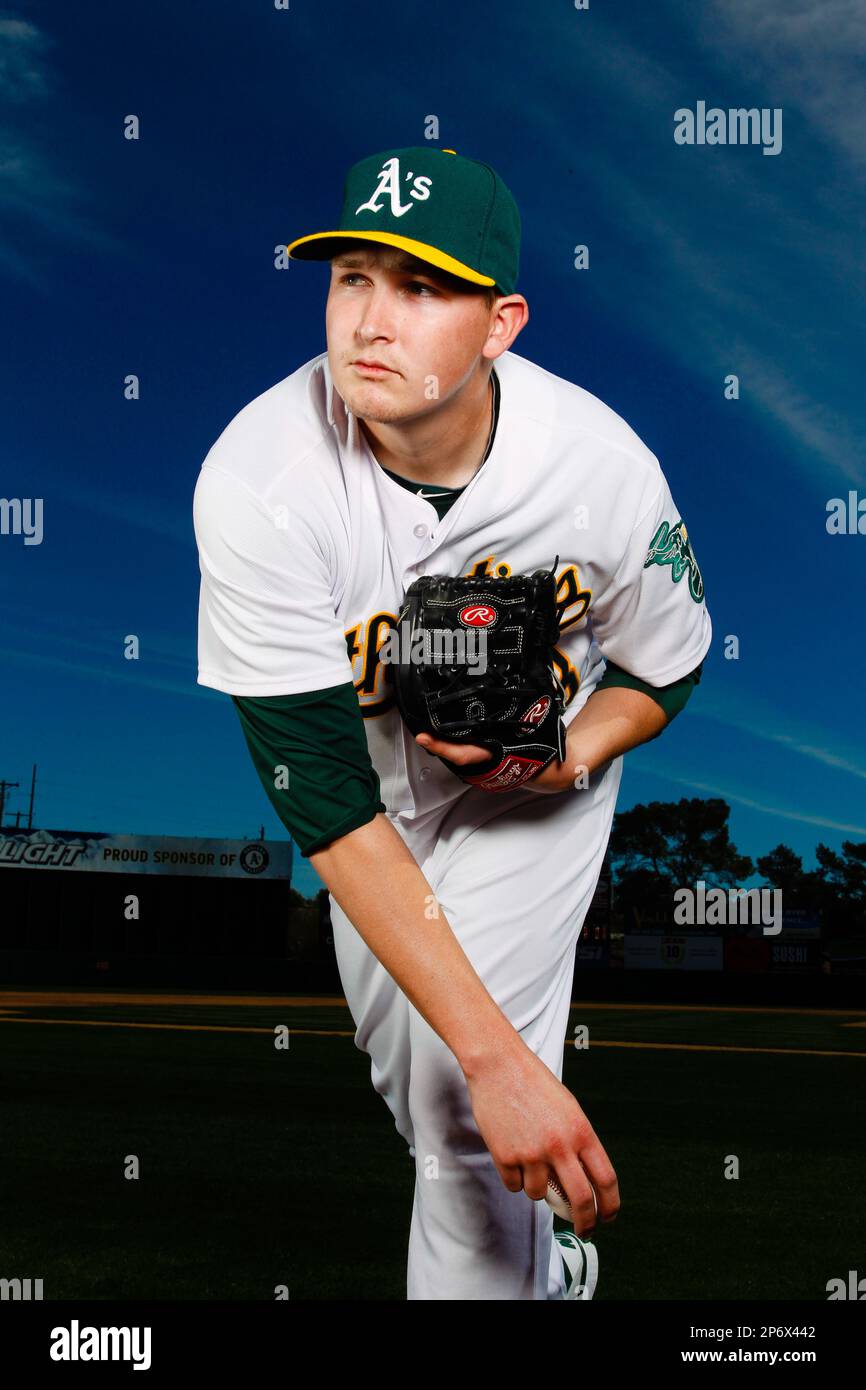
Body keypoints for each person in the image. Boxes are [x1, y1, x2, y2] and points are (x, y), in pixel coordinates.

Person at [193, 145, 712, 1300]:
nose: (370, 322)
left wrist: (568, 754)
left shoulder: (601, 467)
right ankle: (550, 1257)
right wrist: (497, 1062)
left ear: (500, 323)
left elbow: (664, 667)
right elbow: (323, 797)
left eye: (421, 288)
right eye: (351, 278)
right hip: (371, 816)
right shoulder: (258, 481)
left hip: (531, 808)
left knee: (457, 1104)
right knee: (423, 1083)